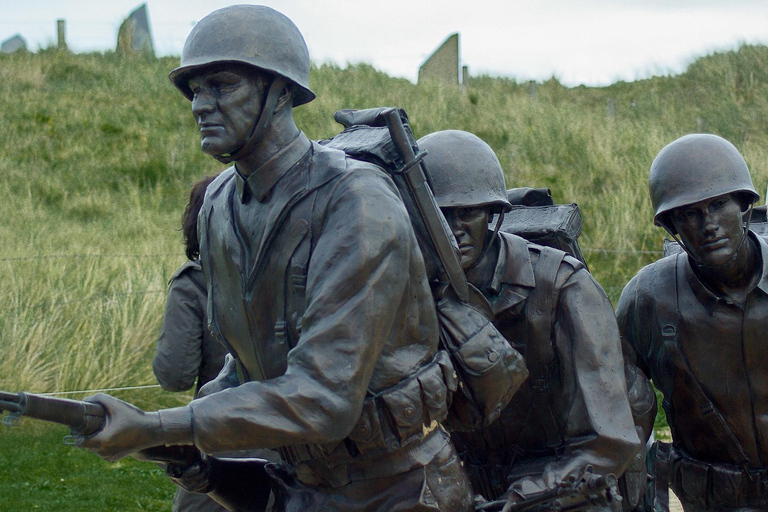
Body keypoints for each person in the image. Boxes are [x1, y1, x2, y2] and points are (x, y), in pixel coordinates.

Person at [77, 5, 472, 511]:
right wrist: (183, 436)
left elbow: (324, 399)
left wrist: (162, 425)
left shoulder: (356, 202)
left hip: (399, 487)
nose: (201, 105)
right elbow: (244, 368)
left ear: (281, 92)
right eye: (194, 91)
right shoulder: (218, 205)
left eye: (222, 85)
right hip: (300, 484)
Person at [418, 130, 646, 510]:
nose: (453, 229)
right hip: (462, 487)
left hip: (560, 489)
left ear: (493, 215)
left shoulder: (563, 288)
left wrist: (523, 499)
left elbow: (608, 442)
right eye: (439, 214)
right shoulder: (415, 291)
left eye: (468, 212)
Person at [617, 133, 768, 512]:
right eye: (689, 214)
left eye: (719, 205)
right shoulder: (648, 298)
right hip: (711, 497)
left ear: (745, 207)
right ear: (672, 227)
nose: (708, 224)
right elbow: (625, 418)